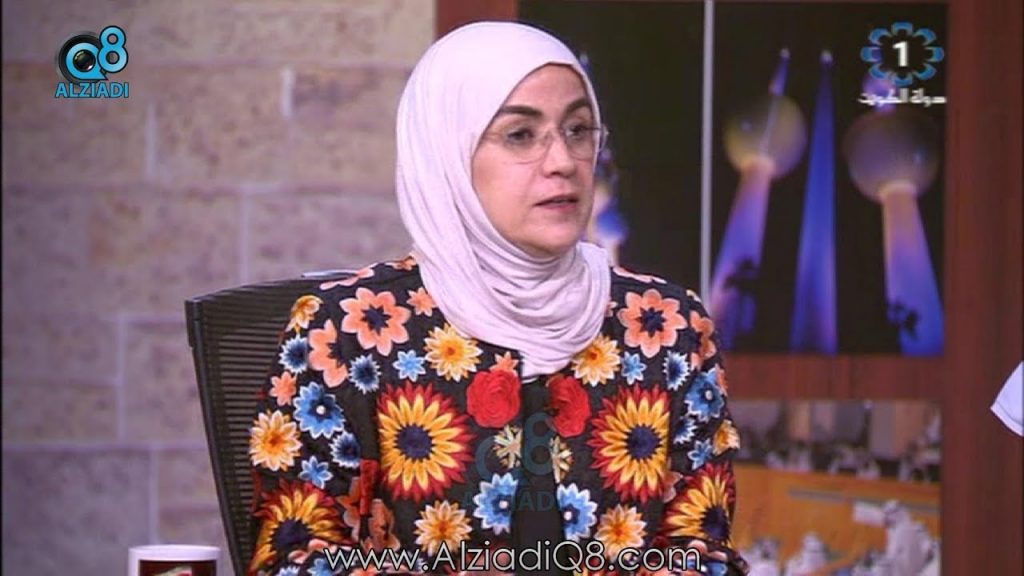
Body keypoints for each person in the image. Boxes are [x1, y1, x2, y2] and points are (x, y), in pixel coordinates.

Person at [247, 21, 748, 576]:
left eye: (578, 130)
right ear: (448, 153)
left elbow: (702, 553)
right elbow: (296, 558)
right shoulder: (347, 330)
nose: (563, 161)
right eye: (520, 135)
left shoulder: (668, 327)